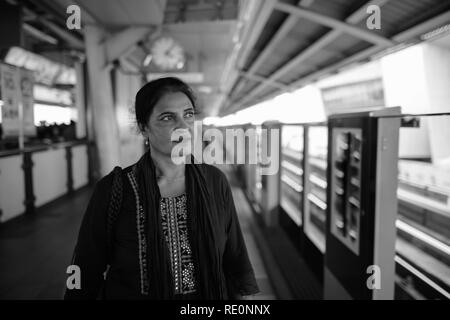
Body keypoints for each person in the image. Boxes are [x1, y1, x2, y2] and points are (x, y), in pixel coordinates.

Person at [64, 77, 259, 300]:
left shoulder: (215, 181)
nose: (183, 127)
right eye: (167, 118)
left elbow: (236, 257)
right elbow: (83, 265)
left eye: (188, 115)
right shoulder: (114, 189)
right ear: (144, 128)